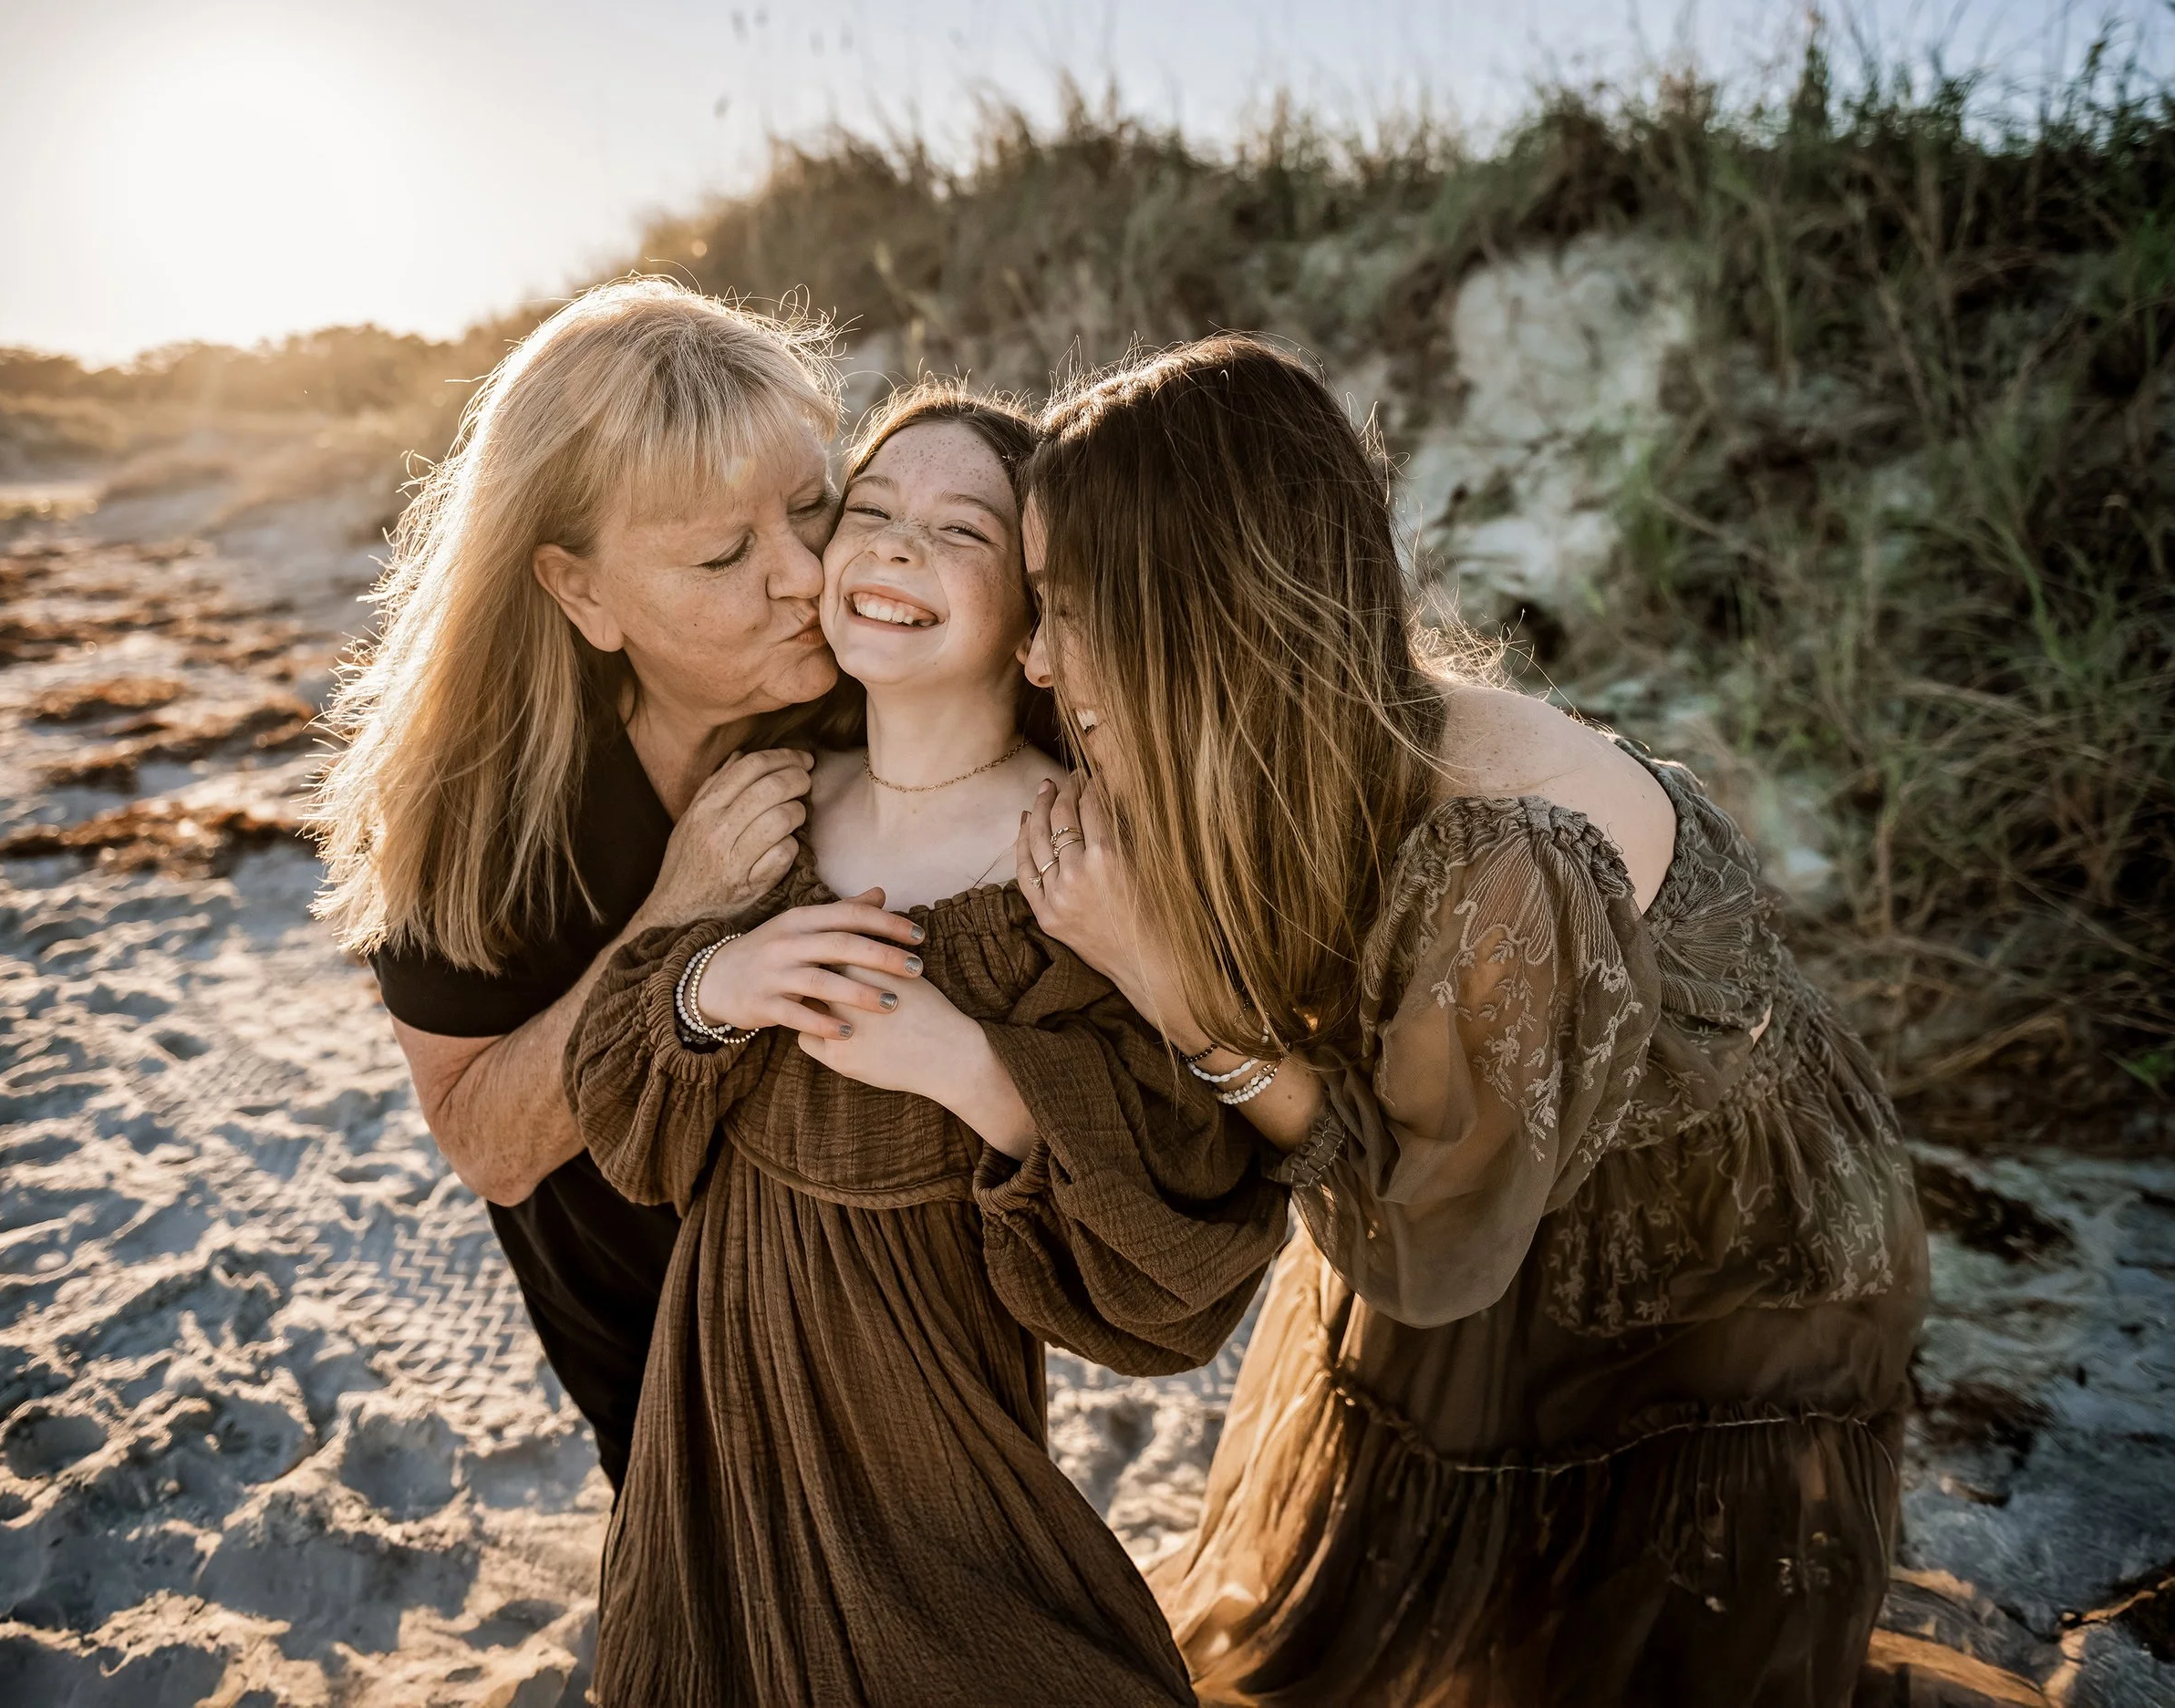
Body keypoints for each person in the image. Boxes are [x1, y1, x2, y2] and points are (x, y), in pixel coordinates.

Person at [1010, 336, 1928, 1707]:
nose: (1032, 659)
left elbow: (1427, 1258)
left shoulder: (1502, 861)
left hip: (1725, 1290)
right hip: (1504, 1188)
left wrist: (1172, 990)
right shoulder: (1305, 741)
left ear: (1185, 612)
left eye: (1059, 606)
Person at [561, 382, 1288, 1708]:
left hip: (930, 1404)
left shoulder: (1075, 854)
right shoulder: (767, 799)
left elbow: (1186, 1243)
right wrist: (716, 982)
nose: (895, 548)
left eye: (961, 533)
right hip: (721, 1379)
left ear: (1037, 621)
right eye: (873, 512)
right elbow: (618, 1108)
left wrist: (974, 1067)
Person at [313, 278, 918, 1490]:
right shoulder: (470, 812)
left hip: (904, 1338)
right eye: (722, 552)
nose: (804, 574)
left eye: (813, 505)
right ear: (579, 590)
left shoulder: (894, 686)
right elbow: (487, 1144)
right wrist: (671, 922)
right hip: (655, 1356)